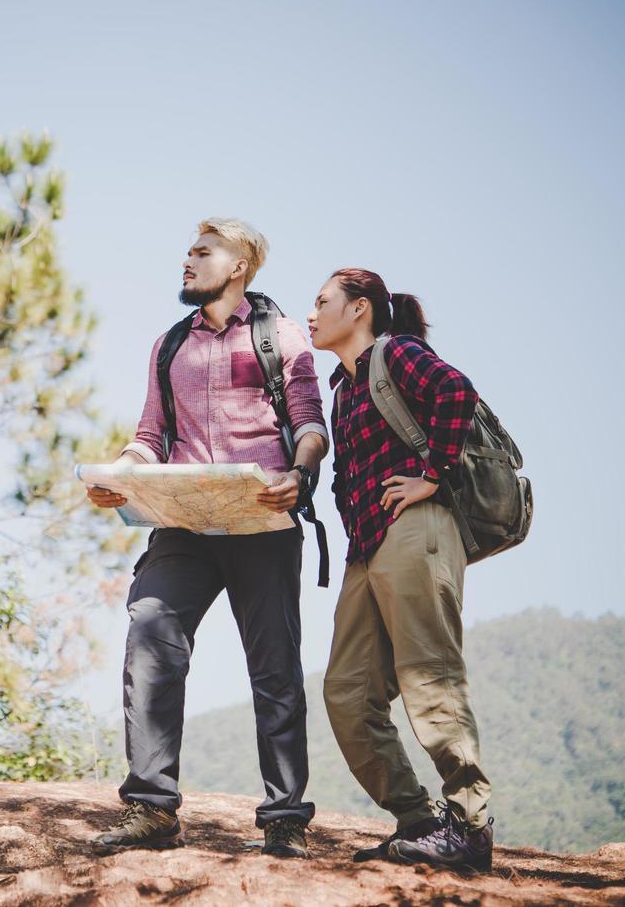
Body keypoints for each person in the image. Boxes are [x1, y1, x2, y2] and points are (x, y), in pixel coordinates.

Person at [86, 218, 328, 859]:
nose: (187, 261)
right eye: (187, 252)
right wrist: (119, 476)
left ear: (240, 264)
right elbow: (149, 436)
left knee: (274, 667)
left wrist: (300, 477)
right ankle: (151, 810)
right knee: (149, 637)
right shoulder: (169, 346)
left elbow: (310, 424)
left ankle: (283, 819)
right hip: (184, 525)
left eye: (202, 252)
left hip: (262, 521)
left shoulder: (281, 337)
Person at [306, 267, 494, 873]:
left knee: (428, 674)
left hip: (418, 530)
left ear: (360, 309)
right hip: (368, 547)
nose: (312, 316)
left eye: (323, 303)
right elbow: (342, 476)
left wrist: (433, 474)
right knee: (347, 692)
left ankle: (469, 825)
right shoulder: (341, 389)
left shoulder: (397, 354)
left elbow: (456, 392)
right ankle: (416, 821)